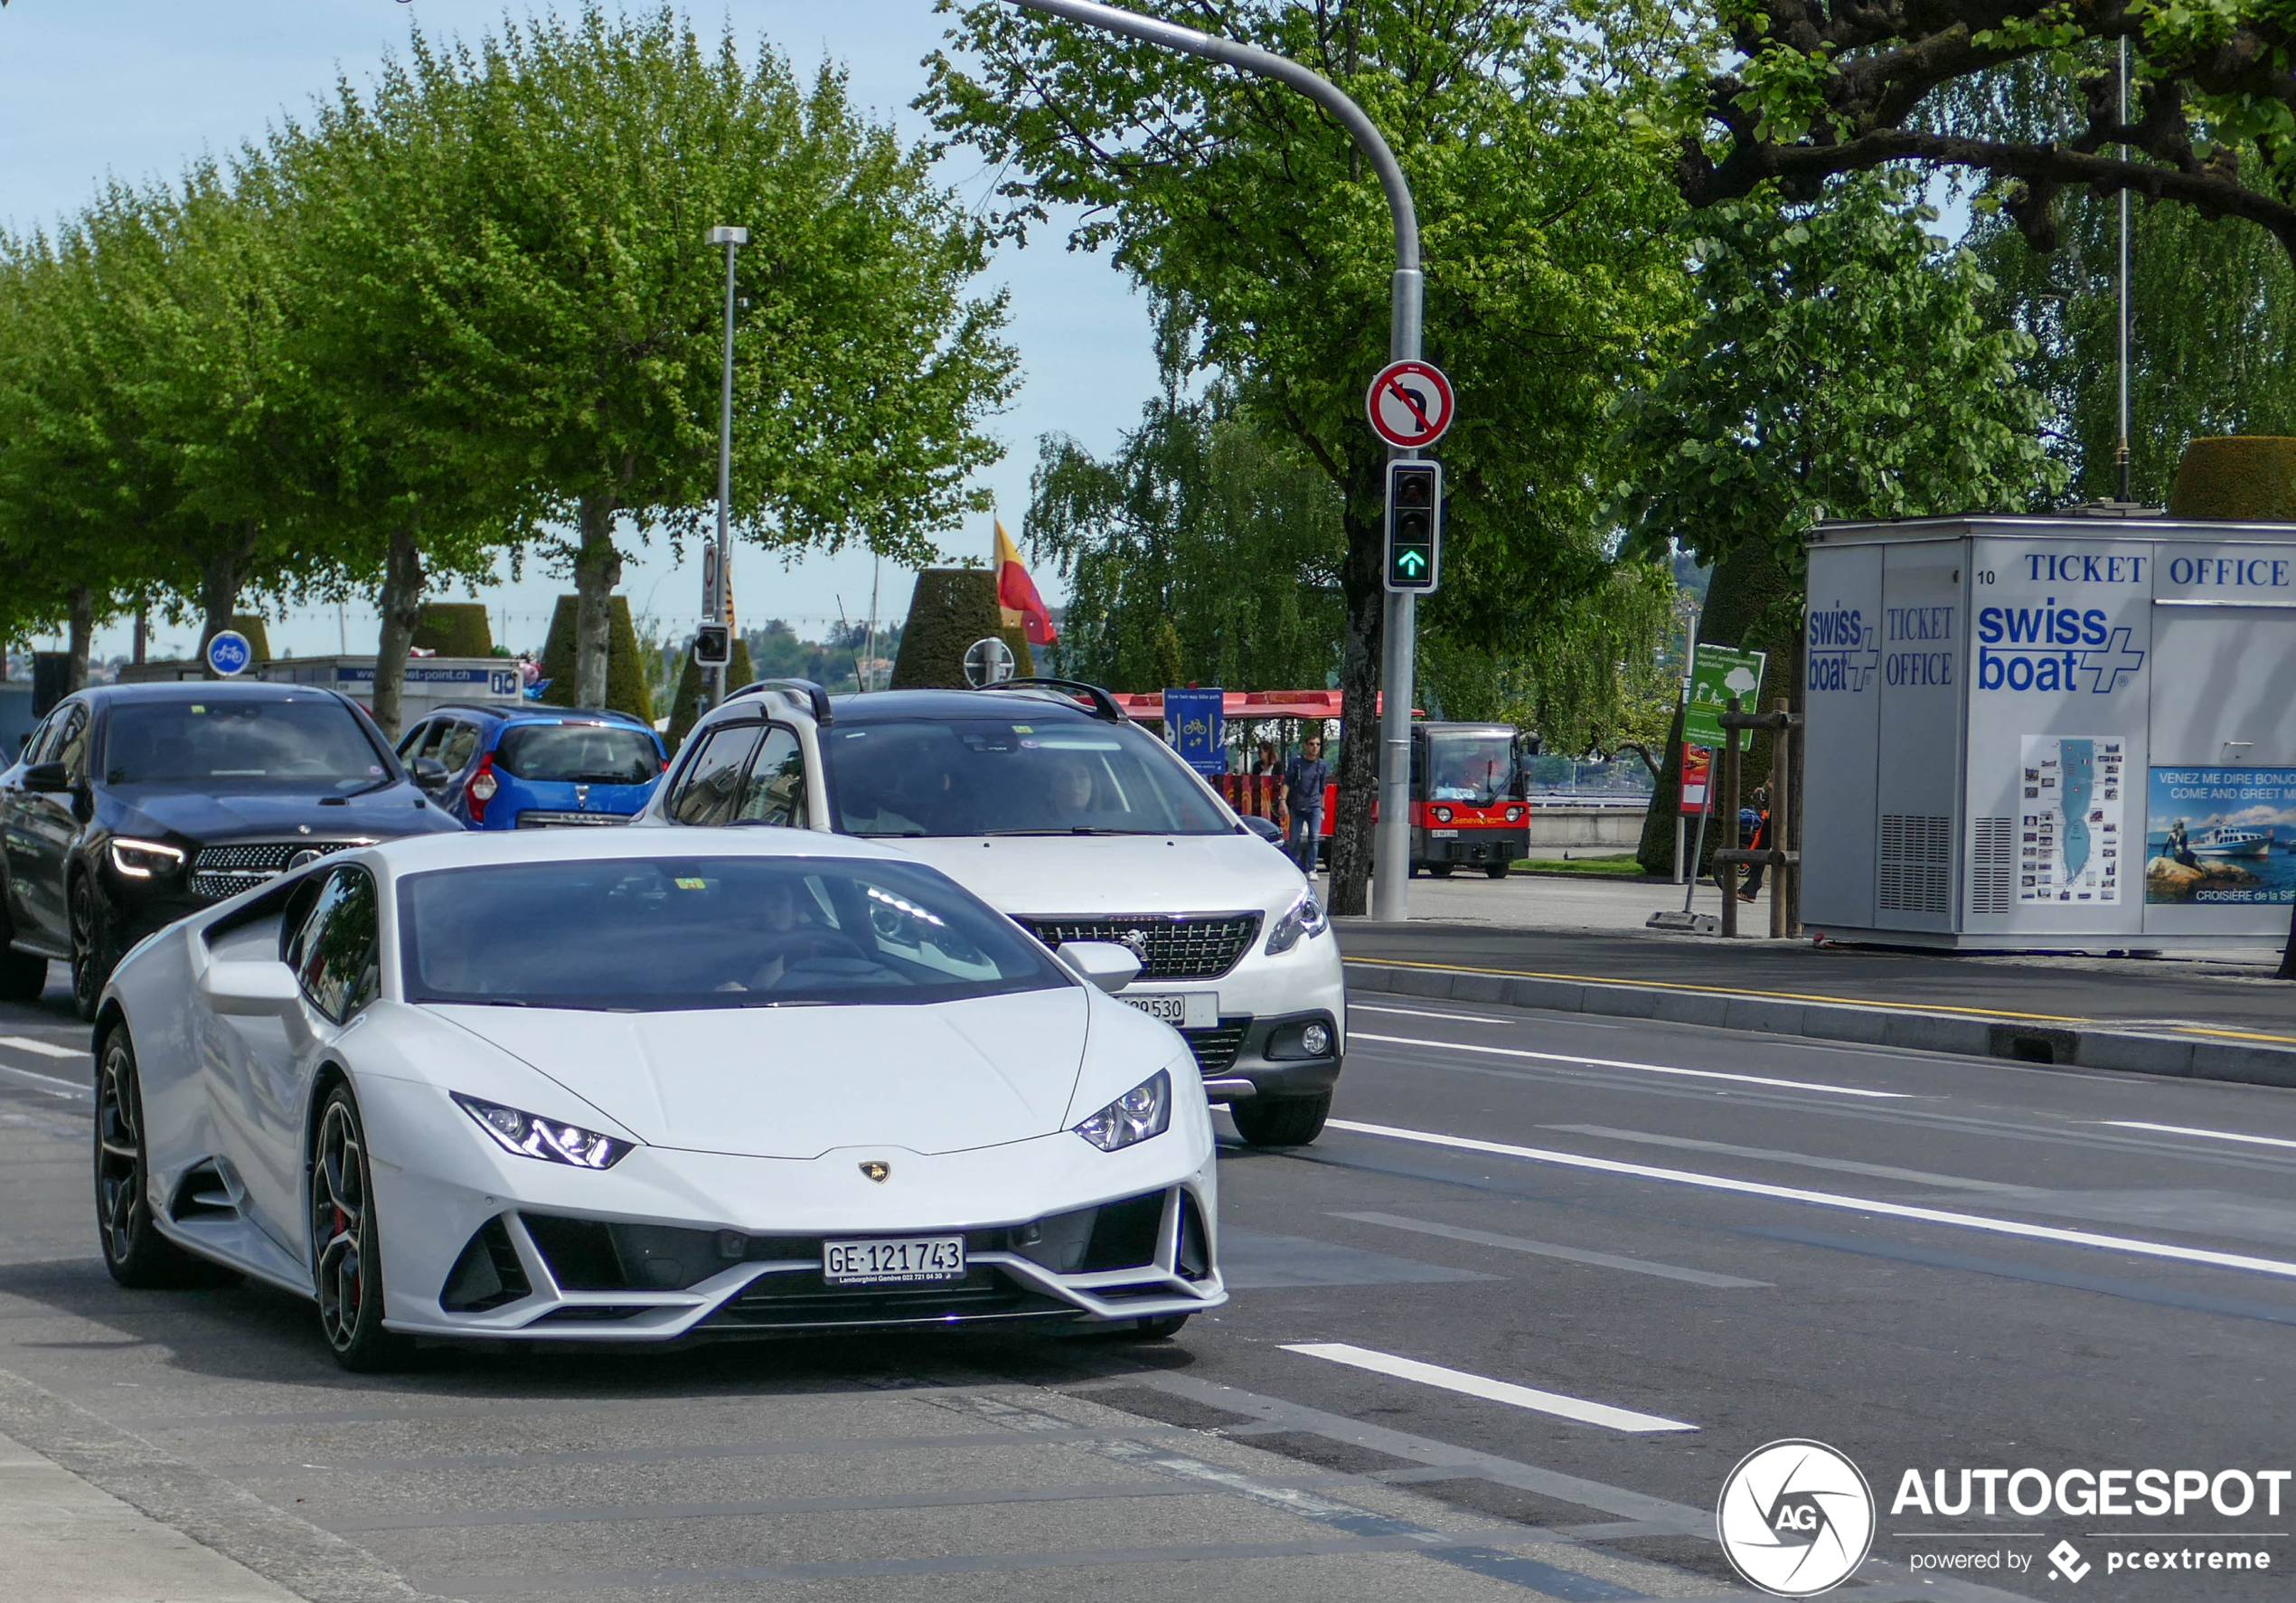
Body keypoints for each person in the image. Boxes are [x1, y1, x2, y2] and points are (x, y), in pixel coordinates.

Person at [1284, 734, 1328, 874]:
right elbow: (1287, 783)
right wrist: (1282, 801)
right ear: (1305, 745)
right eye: (1311, 744)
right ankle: (1292, 866)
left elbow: (1322, 789)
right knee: (1295, 838)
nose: (1315, 747)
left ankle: (1311, 868)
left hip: (1314, 805)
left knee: (1314, 837)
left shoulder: (1322, 765)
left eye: (1317, 744)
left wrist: (1322, 808)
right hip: (1298, 804)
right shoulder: (1296, 763)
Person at [1739, 785, 1772, 901]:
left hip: (1778, 815)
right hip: (1772, 813)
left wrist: (1769, 787)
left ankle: (1752, 888)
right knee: (1762, 848)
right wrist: (1763, 789)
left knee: (1762, 848)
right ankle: (1751, 887)